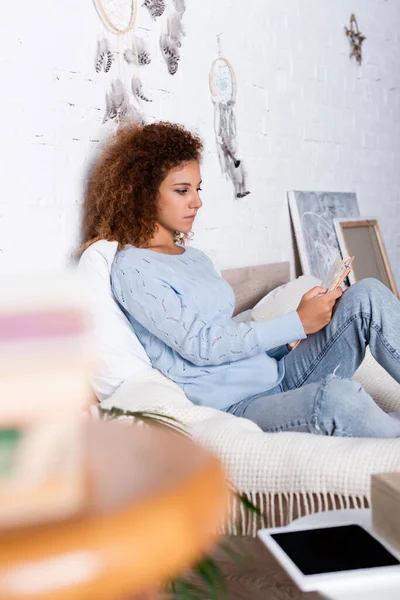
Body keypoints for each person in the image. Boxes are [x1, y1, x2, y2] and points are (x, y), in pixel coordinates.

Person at [81, 121, 400, 438]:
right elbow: (202, 345)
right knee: (338, 399)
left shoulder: (194, 257)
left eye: (197, 188)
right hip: (239, 406)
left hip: (279, 373)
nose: (197, 201)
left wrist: (288, 342)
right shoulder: (133, 268)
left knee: (366, 296)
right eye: (182, 190)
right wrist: (296, 322)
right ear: (142, 193)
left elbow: (227, 330)